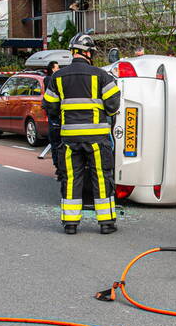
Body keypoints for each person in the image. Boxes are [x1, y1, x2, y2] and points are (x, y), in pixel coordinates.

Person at [42, 34, 121, 235]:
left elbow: (50, 107)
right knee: (102, 177)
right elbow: (113, 106)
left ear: (73, 53)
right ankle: (106, 223)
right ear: (88, 53)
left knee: (71, 178)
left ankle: (70, 223)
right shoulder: (102, 76)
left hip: (69, 139)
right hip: (97, 139)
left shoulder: (57, 78)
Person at [43, 61, 62, 179]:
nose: (59, 69)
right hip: (54, 115)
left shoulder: (53, 79)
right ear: (52, 69)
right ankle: (58, 167)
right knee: (55, 141)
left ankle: (59, 167)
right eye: (57, 67)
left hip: (54, 115)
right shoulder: (49, 79)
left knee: (56, 141)